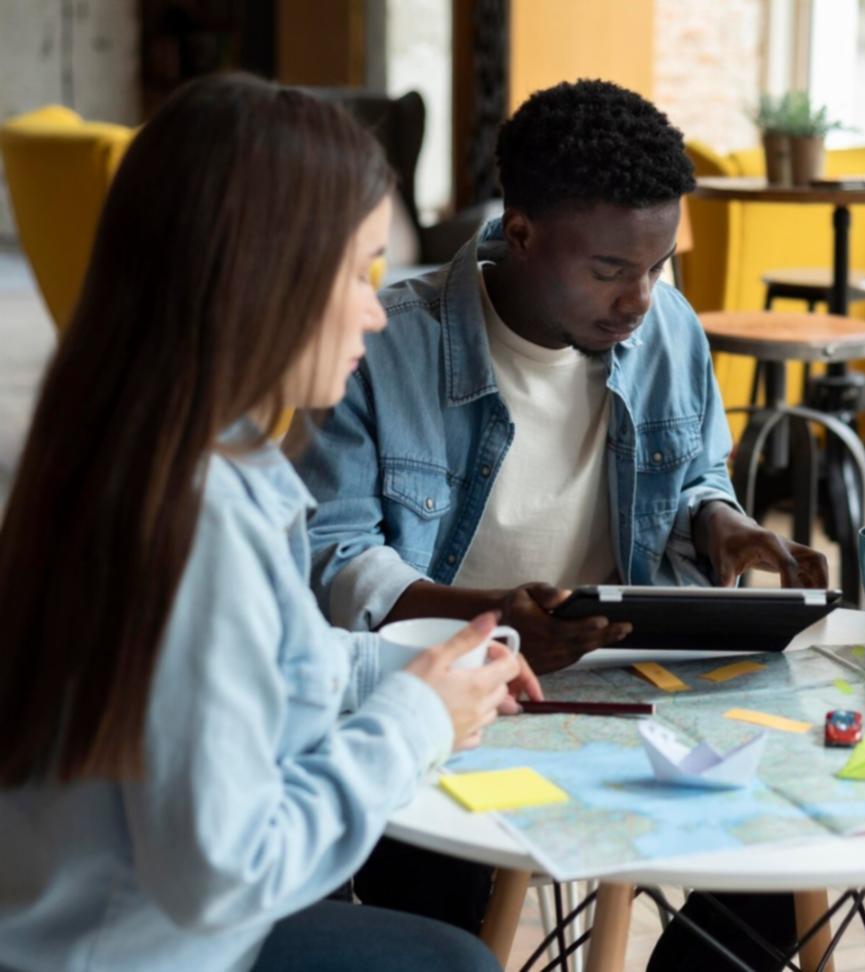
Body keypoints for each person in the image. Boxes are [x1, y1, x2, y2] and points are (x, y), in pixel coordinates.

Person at [0, 74, 541, 972]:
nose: (376, 307)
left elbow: (257, 661)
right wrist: (415, 720)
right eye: (360, 271)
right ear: (263, 277)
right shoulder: (195, 520)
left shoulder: (143, 446)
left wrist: (414, 665)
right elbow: (224, 872)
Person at [293, 78, 828, 934]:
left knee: (798, 853)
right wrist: (493, 626)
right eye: (612, 270)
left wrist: (718, 522)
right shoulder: (383, 342)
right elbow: (335, 558)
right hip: (449, 691)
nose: (640, 300)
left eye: (659, 267)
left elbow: (693, 474)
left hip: (632, 684)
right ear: (523, 232)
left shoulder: (669, 330)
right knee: (441, 907)